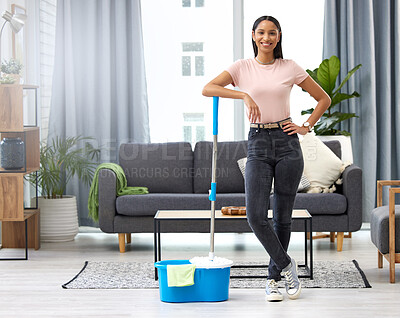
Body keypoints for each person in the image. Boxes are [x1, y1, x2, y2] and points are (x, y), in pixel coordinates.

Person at [202, 16, 331, 302]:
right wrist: (243, 95)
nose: (267, 38)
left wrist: (305, 126)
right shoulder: (242, 67)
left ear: (279, 36)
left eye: (272, 33)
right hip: (258, 143)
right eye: (261, 32)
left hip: (287, 143)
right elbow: (208, 88)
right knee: (255, 215)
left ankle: (274, 279)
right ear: (253, 35)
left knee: (282, 219)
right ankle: (287, 265)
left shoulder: (289, 67)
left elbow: (323, 99)